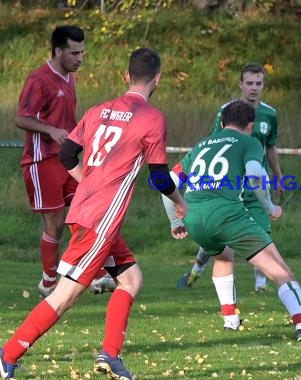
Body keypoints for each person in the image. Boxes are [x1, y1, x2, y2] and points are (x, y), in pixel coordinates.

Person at [0, 48, 187, 380]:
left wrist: (87, 182)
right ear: (157, 78)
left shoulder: (99, 109)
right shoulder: (152, 118)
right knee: (64, 296)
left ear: (126, 76)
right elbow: (159, 177)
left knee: (130, 279)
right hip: (101, 220)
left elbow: (68, 153)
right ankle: (7, 356)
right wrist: (179, 201)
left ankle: (110, 355)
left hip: (89, 211)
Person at [162, 100, 301, 341]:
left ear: (222, 122)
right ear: (250, 125)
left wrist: (175, 222)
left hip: (195, 217)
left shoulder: (201, 146)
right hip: (228, 215)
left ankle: (230, 320)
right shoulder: (248, 142)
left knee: (223, 257)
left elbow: (167, 182)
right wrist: (270, 207)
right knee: (278, 268)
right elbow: (256, 173)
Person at [15, 25, 115, 297]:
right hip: (41, 161)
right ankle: (48, 280)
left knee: (87, 210)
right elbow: (20, 118)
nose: (80, 58)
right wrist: (50, 130)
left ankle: (97, 271)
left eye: (82, 52)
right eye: (74, 53)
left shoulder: (70, 78)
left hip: (64, 159)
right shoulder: (39, 80)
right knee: (56, 221)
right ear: (58, 51)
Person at [177, 62, 283, 292]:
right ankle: (197, 268)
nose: (254, 88)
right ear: (241, 84)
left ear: (263, 85)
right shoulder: (226, 111)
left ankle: (261, 285)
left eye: (259, 83)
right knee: (219, 235)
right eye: (249, 83)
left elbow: (270, 148)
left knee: (262, 230)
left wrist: (278, 176)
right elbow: (216, 145)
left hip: (254, 185)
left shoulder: (270, 114)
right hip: (227, 185)